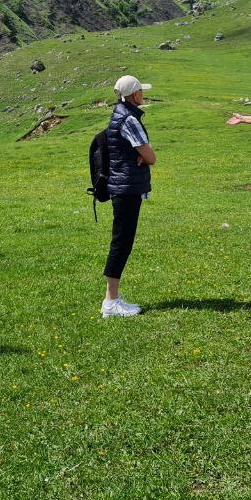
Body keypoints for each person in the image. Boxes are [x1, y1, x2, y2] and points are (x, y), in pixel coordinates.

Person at [101, 74, 156, 318]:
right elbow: (151, 156)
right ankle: (110, 301)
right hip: (126, 189)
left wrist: (143, 155)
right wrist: (145, 156)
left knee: (122, 240)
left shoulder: (120, 114)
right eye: (141, 92)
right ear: (134, 95)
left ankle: (112, 298)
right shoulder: (129, 119)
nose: (143, 95)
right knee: (122, 241)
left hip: (123, 186)